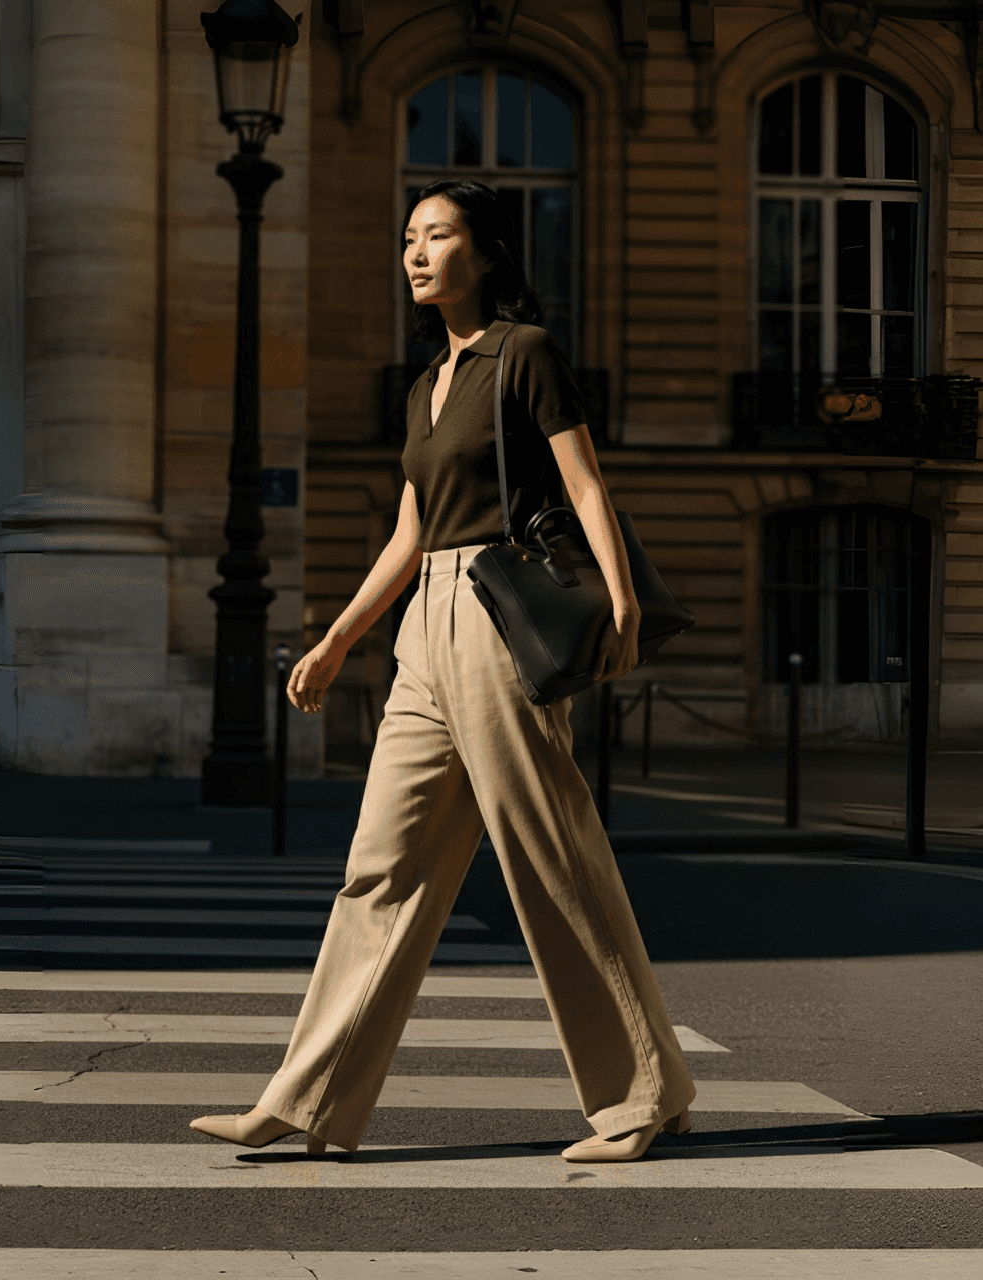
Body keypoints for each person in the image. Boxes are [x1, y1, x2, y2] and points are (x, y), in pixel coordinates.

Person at [187, 179, 696, 1164]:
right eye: (408, 236)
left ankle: (644, 1091)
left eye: (439, 234)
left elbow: (586, 481)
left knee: (551, 856)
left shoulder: (526, 355)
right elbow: (408, 534)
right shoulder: (427, 384)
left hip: (502, 616)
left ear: (488, 249)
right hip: (426, 622)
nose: (416, 252)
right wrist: (338, 639)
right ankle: (309, 1098)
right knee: (379, 865)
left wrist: (624, 600)